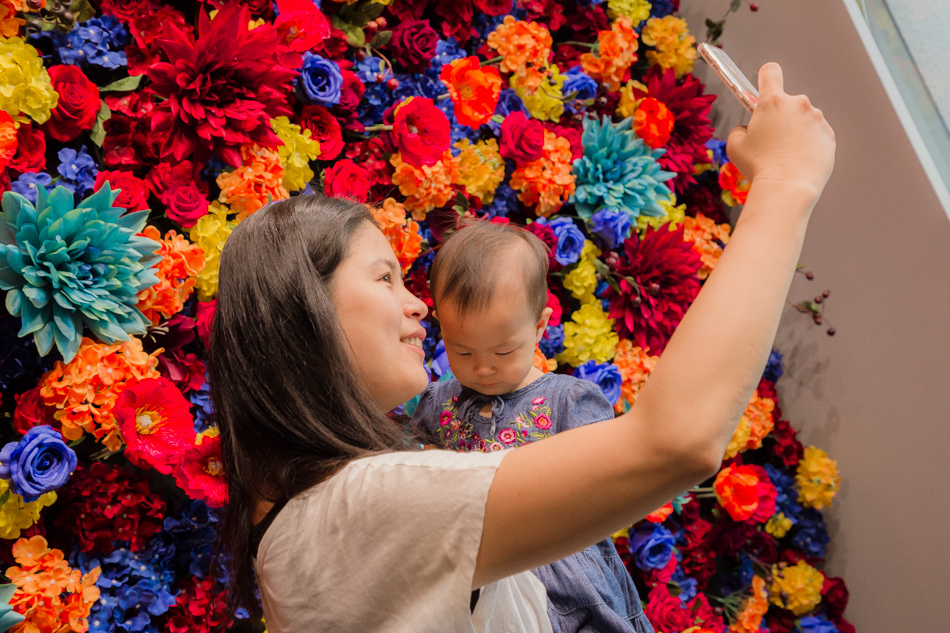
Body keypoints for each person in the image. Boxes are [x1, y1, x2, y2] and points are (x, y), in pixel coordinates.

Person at [210, 63, 835, 633]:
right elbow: (675, 440)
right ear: (304, 308)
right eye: (383, 277)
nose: (418, 305)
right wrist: (785, 181)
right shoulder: (354, 508)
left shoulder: (313, 519)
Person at [411, 219, 653, 633]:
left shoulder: (569, 401)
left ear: (540, 327)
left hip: (559, 573)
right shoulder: (437, 403)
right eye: (462, 351)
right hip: (471, 579)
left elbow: (603, 488)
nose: (483, 368)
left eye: (503, 351)